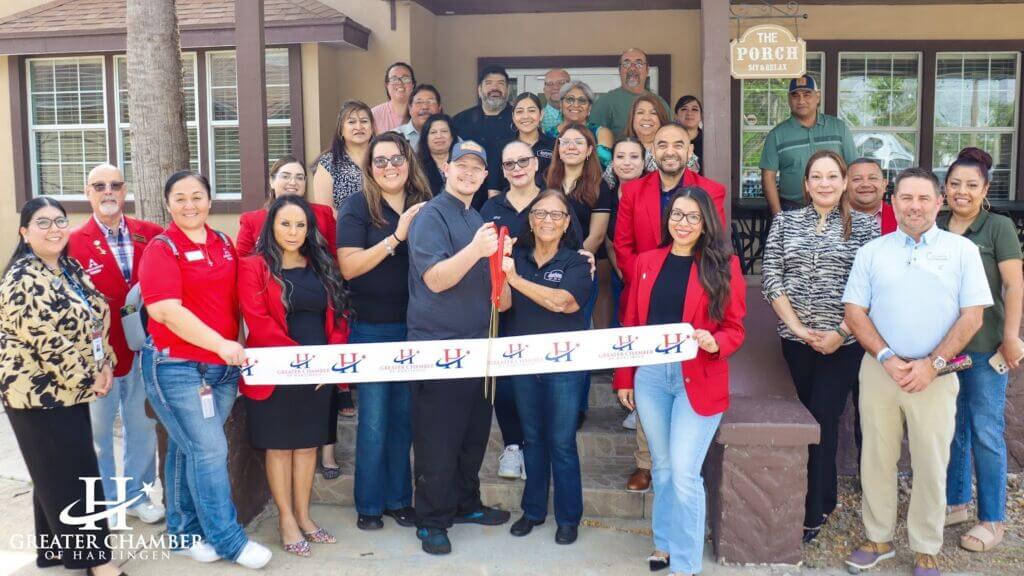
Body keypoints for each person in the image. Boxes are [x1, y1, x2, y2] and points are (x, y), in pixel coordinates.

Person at [842, 167, 992, 576]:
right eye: (906, 198)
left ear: (939, 202)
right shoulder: (872, 251)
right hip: (880, 370)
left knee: (931, 462)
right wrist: (886, 357)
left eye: (924, 198)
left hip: (936, 374)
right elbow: (854, 311)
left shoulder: (962, 251)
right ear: (893, 202)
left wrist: (932, 364)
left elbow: (973, 316)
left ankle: (926, 546)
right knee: (876, 458)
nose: (915, 206)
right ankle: (878, 538)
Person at [139, 170, 272, 569]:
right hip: (176, 367)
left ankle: (183, 533)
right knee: (210, 449)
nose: (189, 205)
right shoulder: (162, 249)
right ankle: (229, 539)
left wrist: (241, 344)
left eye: (197, 196)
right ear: (167, 204)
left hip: (222, 370)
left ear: (210, 201)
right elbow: (165, 311)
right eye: (179, 198)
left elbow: (233, 302)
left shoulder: (223, 243)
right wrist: (221, 344)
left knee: (188, 448)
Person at [614, 187, 747, 575]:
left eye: (692, 216)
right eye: (676, 215)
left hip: (699, 375)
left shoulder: (723, 266)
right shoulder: (646, 261)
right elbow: (631, 325)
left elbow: (735, 328)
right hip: (652, 377)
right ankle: (664, 544)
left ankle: (686, 565)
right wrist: (625, 377)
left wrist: (716, 342)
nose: (683, 223)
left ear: (706, 223)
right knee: (663, 467)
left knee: (686, 472)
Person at [1, 197, 125, 576]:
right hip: (37, 395)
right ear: (25, 232)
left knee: (54, 469)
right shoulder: (22, 278)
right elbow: (49, 343)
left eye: (59, 221)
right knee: (73, 473)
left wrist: (106, 362)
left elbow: (96, 318)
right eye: (42, 223)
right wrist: (92, 377)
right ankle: (97, 562)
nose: (54, 229)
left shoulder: (68, 267)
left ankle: (53, 550)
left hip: (71, 389)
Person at [761, 150, 878, 543]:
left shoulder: (866, 227)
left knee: (824, 415)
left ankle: (814, 509)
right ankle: (822, 495)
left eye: (832, 176)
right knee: (809, 416)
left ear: (844, 183)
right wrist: (797, 327)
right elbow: (771, 276)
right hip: (796, 341)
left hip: (844, 343)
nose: (824, 183)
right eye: (817, 177)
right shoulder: (785, 222)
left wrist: (841, 333)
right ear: (806, 185)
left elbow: (872, 286)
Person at [406, 140, 512, 555]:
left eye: (476, 168)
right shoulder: (431, 216)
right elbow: (435, 279)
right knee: (438, 439)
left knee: (472, 436)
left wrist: (503, 267)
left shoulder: (476, 218)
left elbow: (495, 293)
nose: (468, 173)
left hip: (479, 348)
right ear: (446, 169)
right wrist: (476, 250)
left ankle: (465, 503)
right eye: (461, 165)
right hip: (440, 349)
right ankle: (431, 520)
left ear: (485, 176)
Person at [614, 122, 727, 493]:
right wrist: (645, 279)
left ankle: (682, 461)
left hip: (693, 297)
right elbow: (623, 244)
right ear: (653, 150)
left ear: (689, 148)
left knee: (682, 382)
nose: (670, 151)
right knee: (649, 376)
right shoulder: (634, 190)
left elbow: (715, 245)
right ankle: (645, 463)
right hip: (647, 295)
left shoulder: (711, 190)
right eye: (662, 144)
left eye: (678, 144)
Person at [238, 195, 350, 557]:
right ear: (271, 225)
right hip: (276, 370)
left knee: (307, 446)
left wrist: (327, 361)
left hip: (317, 372)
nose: (293, 231)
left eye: (300, 225)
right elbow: (257, 320)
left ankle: (304, 516)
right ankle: (286, 520)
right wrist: (300, 362)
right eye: (285, 223)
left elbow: (339, 316)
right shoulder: (253, 266)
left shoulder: (321, 264)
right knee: (280, 447)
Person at [338, 132, 431, 532]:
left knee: (404, 420)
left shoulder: (425, 203)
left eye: (396, 159)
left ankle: (399, 500)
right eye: (380, 161)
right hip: (371, 328)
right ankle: (370, 504)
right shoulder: (357, 206)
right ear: (370, 168)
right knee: (374, 422)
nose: (389, 167)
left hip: (415, 327)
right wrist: (396, 237)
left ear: (409, 162)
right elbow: (349, 266)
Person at [67, 163, 165, 525]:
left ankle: (138, 496)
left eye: (115, 185)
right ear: (88, 192)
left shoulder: (151, 235)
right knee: (98, 433)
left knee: (142, 426)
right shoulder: (72, 242)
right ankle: (106, 500)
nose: (108, 191)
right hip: (97, 356)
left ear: (125, 190)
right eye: (99, 186)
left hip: (143, 348)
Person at [939, 148, 1023, 553]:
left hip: (986, 349)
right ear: (945, 188)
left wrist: (1011, 336)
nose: (962, 191)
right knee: (952, 429)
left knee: (986, 432)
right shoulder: (936, 225)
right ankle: (955, 502)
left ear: (985, 189)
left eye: (971, 185)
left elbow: (1014, 284)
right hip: (943, 349)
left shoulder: (997, 227)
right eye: (955, 183)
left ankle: (992, 519)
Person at [500, 190, 593, 545]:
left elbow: (563, 303)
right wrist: (500, 269)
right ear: (530, 219)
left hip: (563, 366)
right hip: (524, 362)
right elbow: (503, 304)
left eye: (556, 215)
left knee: (562, 442)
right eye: (540, 213)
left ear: (567, 222)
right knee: (532, 438)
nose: (547, 221)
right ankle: (534, 511)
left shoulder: (577, 262)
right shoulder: (517, 258)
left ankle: (568, 518)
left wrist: (516, 280)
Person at [480, 140, 544, 482]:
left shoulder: (552, 203)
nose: (517, 168)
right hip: (502, 305)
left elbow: (573, 250)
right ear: (502, 171)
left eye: (523, 161)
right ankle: (513, 446)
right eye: (509, 164)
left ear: (536, 164)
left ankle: (536, 448)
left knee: (538, 379)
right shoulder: (491, 207)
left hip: (542, 304)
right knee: (504, 379)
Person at [547, 124, 611, 425]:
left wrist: (568, 265)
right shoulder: (545, 181)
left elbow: (596, 236)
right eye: (565, 142)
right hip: (544, 272)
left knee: (577, 341)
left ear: (589, 150)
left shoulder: (600, 187)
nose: (571, 147)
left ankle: (576, 407)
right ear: (558, 148)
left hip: (580, 272)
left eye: (578, 142)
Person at [760, 74, 857, 215]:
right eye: (795, 95)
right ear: (789, 99)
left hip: (835, 208)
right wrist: (778, 218)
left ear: (818, 97)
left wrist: (848, 208)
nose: (801, 100)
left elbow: (853, 169)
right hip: (793, 209)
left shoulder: (838, 128)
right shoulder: (776, 135)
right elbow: (768, 178)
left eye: (807, 94)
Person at [237, 155, 336, 257]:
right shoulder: (251, 220)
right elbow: (243, 260)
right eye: (285, 176)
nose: (293, 182)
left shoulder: (324, 214)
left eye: (299, 178)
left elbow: (335, 256)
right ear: (272, 181)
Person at [452, 65, 516, 206]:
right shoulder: (460, 121)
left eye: (500, 83)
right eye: (488, 83)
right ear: (479, 90)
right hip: (467, 196)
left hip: (510, 195)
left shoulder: (518, 120)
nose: (495, 88)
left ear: (508, 90)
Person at [591, 48, 670, 138]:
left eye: (639, 63)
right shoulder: (604, 103)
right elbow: (593, 140)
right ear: (619, 70)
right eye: (626, 64)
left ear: (647, 70)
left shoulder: (660, 103)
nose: (632, 68)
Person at [313, 100, 374, 214]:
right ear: (341, 129)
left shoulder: (382, 158)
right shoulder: (329, 162)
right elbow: (325, 210)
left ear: (372, 128)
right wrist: (350, 223)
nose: (359, 126)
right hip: (343, 224)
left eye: (364, 121)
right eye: (352, 122)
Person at [545, 80, 614, 168]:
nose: (576, 105)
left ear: (589, 107)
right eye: (570, 99)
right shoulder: (547, 134)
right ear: (561, 104)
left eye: (582, 100)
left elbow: (604, 163)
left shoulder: (601, 133)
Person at [511, 92, 556, 181]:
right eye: (520, 111)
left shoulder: (555, 145)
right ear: (513, 116)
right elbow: (494, 187)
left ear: (541, 114)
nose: (525, 116)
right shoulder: (502, 147)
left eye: (531, 111)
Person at [847, 157, 897, 234]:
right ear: (844, 185)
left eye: (872, 178)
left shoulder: (901, 218)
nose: (865, 184)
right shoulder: (829, 219)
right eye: (857, 179)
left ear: (884, 184)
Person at [416, 113, 458, 197]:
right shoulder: (416, 166)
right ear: (425, 138)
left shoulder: (461, 162)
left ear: (452, 137)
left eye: (444, 131)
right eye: (433, 132)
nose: (439, 136)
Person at [394, 84, 442, 150]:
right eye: (419, 102)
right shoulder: (395, 137)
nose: (425, 107)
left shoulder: (450, 136)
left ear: (439, 108)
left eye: (430, 102)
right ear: (410, 108)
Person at [371, 62, 415, 134]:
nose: (400, 83)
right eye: (394, 79)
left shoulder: (422, 113)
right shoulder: (374, 115)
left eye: (405, 79)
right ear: (387, 85)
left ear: (413, 85)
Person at [674, 95, 704, 174]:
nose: (689, 113)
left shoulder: (708, 142)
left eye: (694, 109)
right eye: (684, 109)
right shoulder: (669, 141)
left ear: (701, 116)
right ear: (676, 116)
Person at [540, 68, 570, 135]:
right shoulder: (536, 119)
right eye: (550, 83)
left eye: (561, 83)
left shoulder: (580, 116)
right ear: (544, 90)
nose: (555, 87)